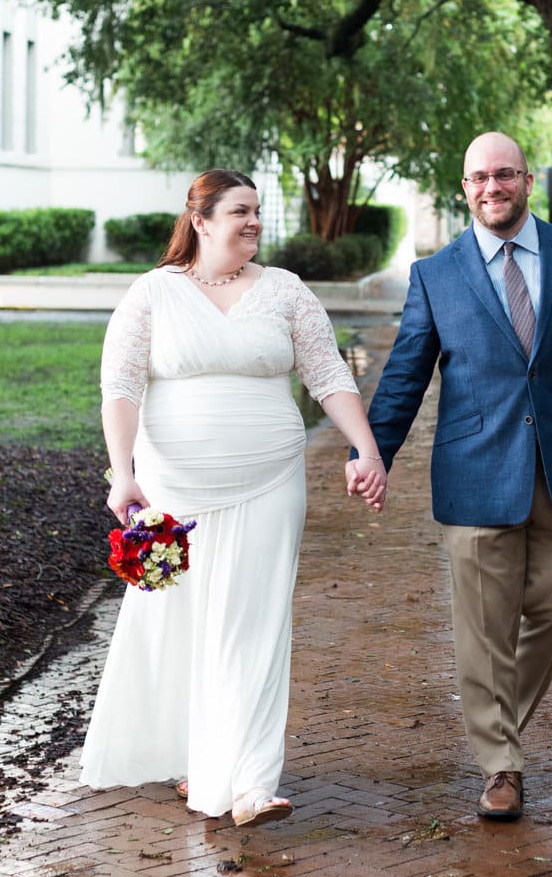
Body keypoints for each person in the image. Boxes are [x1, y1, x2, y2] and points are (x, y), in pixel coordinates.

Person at [347, 133, 552, 822]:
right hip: (475, 472)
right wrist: (372, 454)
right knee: (484, 632)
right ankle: (501, 765)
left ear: (527, 179)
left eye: (503, 175)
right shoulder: (436, 274)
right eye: (477, 178)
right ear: (463, 188)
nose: (491, 187)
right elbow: (404, 374)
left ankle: (496, 722)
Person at [81, 169, 385, 825]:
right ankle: (195, 756)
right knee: (180, 622)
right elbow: (121, 387)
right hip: (170, 490)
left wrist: (366, 447)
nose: (253, 222)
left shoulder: (285, 292)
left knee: (255, 624)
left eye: (257, 211)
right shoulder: (153, 294)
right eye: (239, 211)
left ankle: (250, 783)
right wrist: (121, 471)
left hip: (271, 480)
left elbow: (329, 373)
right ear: (201, 220)